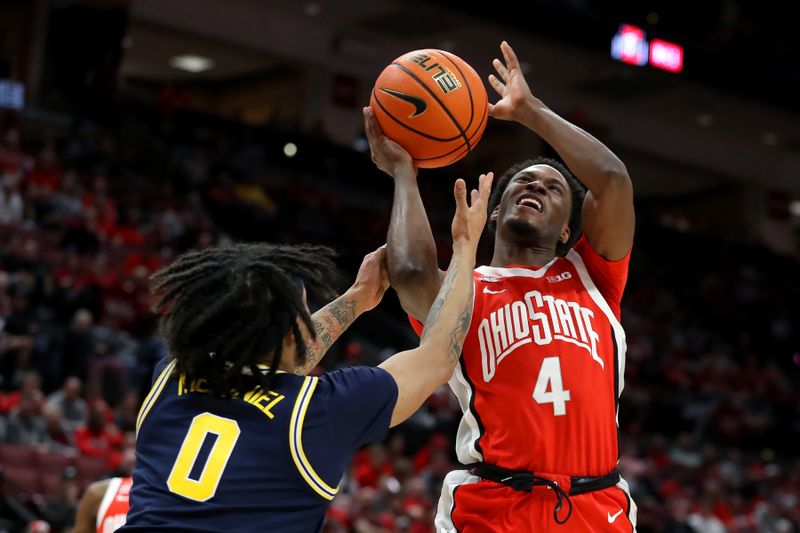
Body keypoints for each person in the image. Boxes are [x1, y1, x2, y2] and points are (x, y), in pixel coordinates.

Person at [363, 40, 637, 532]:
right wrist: (405, 173)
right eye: (524, 183)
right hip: (495, 506)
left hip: (598, 509)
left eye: (553, 188)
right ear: (494, 213)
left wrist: (530, 112)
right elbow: (408, 275)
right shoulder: (465, 291)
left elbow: (613, 181)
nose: (536, 186)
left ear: (569, 234)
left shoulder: (592, 276)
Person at [118, 172, 492, 531]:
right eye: (303, 311)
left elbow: (273, 364)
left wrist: (357, 298)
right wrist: (464, 246)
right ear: (289, 336)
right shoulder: (318, 412)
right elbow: (438, 355)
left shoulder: (171, 374)